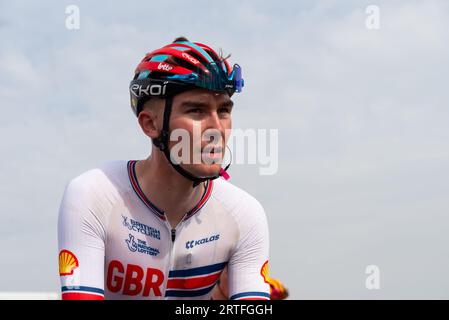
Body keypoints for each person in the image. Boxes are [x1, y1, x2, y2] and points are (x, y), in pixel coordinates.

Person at [58, 37, 271, 300]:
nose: (216, 128)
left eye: (224, 110)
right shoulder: (94, 194)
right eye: (197, 110)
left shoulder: (245, 214)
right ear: (150, 124)